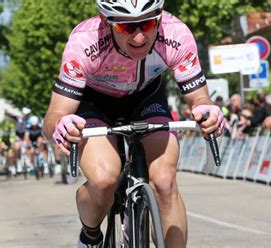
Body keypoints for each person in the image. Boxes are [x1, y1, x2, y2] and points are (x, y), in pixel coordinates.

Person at [42, 1, 224, 247]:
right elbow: (54, 115)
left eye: (147, 23)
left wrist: (205, 108)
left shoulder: (175, 33)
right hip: (95, 104)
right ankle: (90, 234)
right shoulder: (85, 41)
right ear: (108, 22)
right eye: (127, 28)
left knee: (164, 182)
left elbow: (199, 97)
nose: (139, 36)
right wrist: (61, 125)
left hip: (146, 98)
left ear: (159, 17)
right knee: (105, 179)